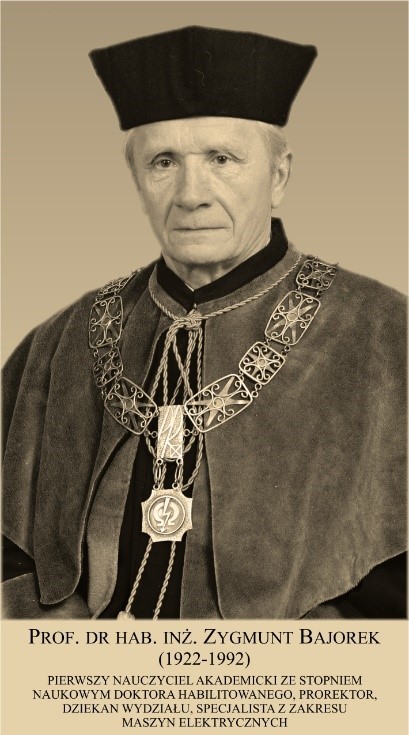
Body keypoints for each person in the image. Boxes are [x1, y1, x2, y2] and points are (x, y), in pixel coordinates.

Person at [2, 26, 406, 619]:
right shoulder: (60, 340)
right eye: (164, 162)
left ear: (278, 177)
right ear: (136, 177)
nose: (192, 194)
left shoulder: (384, 333)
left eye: (222, 159)